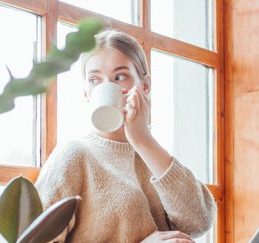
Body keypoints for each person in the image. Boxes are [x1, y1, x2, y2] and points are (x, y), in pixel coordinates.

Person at [34, 29, 215, 243]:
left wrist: (143, 139)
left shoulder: (152, 156)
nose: (106, 86)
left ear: (144, 86)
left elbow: (199, 221)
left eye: (120, 77)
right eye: (94, 79)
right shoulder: (74, 155)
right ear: (85, 92)